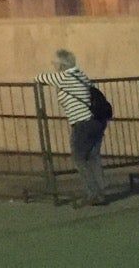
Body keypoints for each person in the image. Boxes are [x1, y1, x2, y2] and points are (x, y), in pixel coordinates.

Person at [37, 48, 109, 205]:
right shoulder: (81, 75)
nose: (53, 66)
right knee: (93, 157)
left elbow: (40, 77)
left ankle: (92, 193)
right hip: (97, 121)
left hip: (82, 123)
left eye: (54, 64)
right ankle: (101, 192)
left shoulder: (65, 77)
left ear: (61, 65)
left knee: (79, 158)